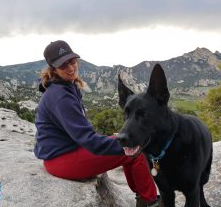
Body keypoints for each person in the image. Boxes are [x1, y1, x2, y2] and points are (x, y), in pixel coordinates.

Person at [34, 40, 162, 207]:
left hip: (64, 152)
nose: (71, 68)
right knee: (134, 151)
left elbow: (83, 135)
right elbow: (90, 140)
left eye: (72, 61)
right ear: (54, 69)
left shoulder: (64, 87)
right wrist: (129, 143)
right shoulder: (61, 96)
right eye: (63, 65)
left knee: (128, 146)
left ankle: (144, 197)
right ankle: (149, 201)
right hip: (62, 160)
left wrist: (120, 140)